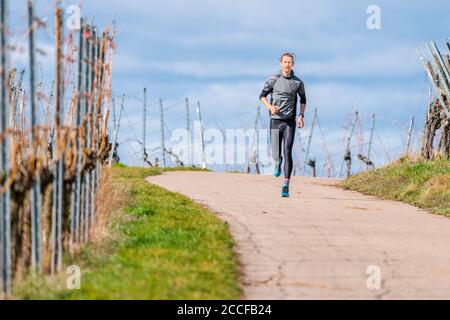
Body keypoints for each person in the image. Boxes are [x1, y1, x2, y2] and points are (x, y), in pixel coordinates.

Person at [259, 52, 307, 197]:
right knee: (276, 153)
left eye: (289, 62)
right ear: (281, 63)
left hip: (289, 122)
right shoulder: (273, 79)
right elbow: (261, 96)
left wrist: (301, 115)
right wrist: (270, 107)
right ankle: (276, 161)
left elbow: (303, 99)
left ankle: (286, 184)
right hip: (275, 120)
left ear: (293, 64)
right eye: (285, 62)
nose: (287, 64)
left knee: (287, 151)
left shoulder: (298, 82)